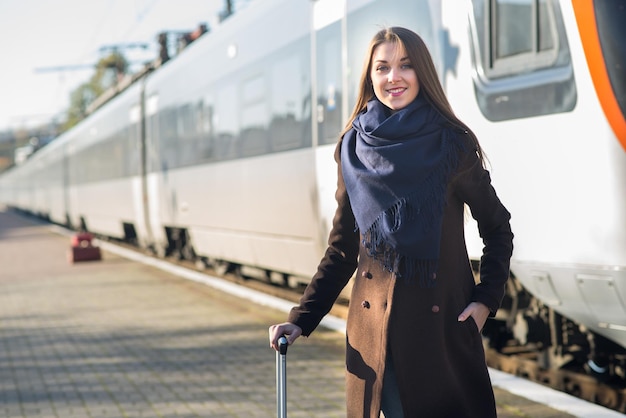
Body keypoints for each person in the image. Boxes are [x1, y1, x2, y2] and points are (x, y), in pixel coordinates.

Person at [269, 26, 513, 418]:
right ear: (370, 76)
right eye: (382, 68)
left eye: (405, 66)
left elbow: (498, 228)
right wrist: (301, 320)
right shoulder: (351, 148)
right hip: (372, 338)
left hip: (440, 336)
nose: (393, 77)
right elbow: (343, 250)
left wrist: (486, 299)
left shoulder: (451, 144)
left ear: (423, 74)